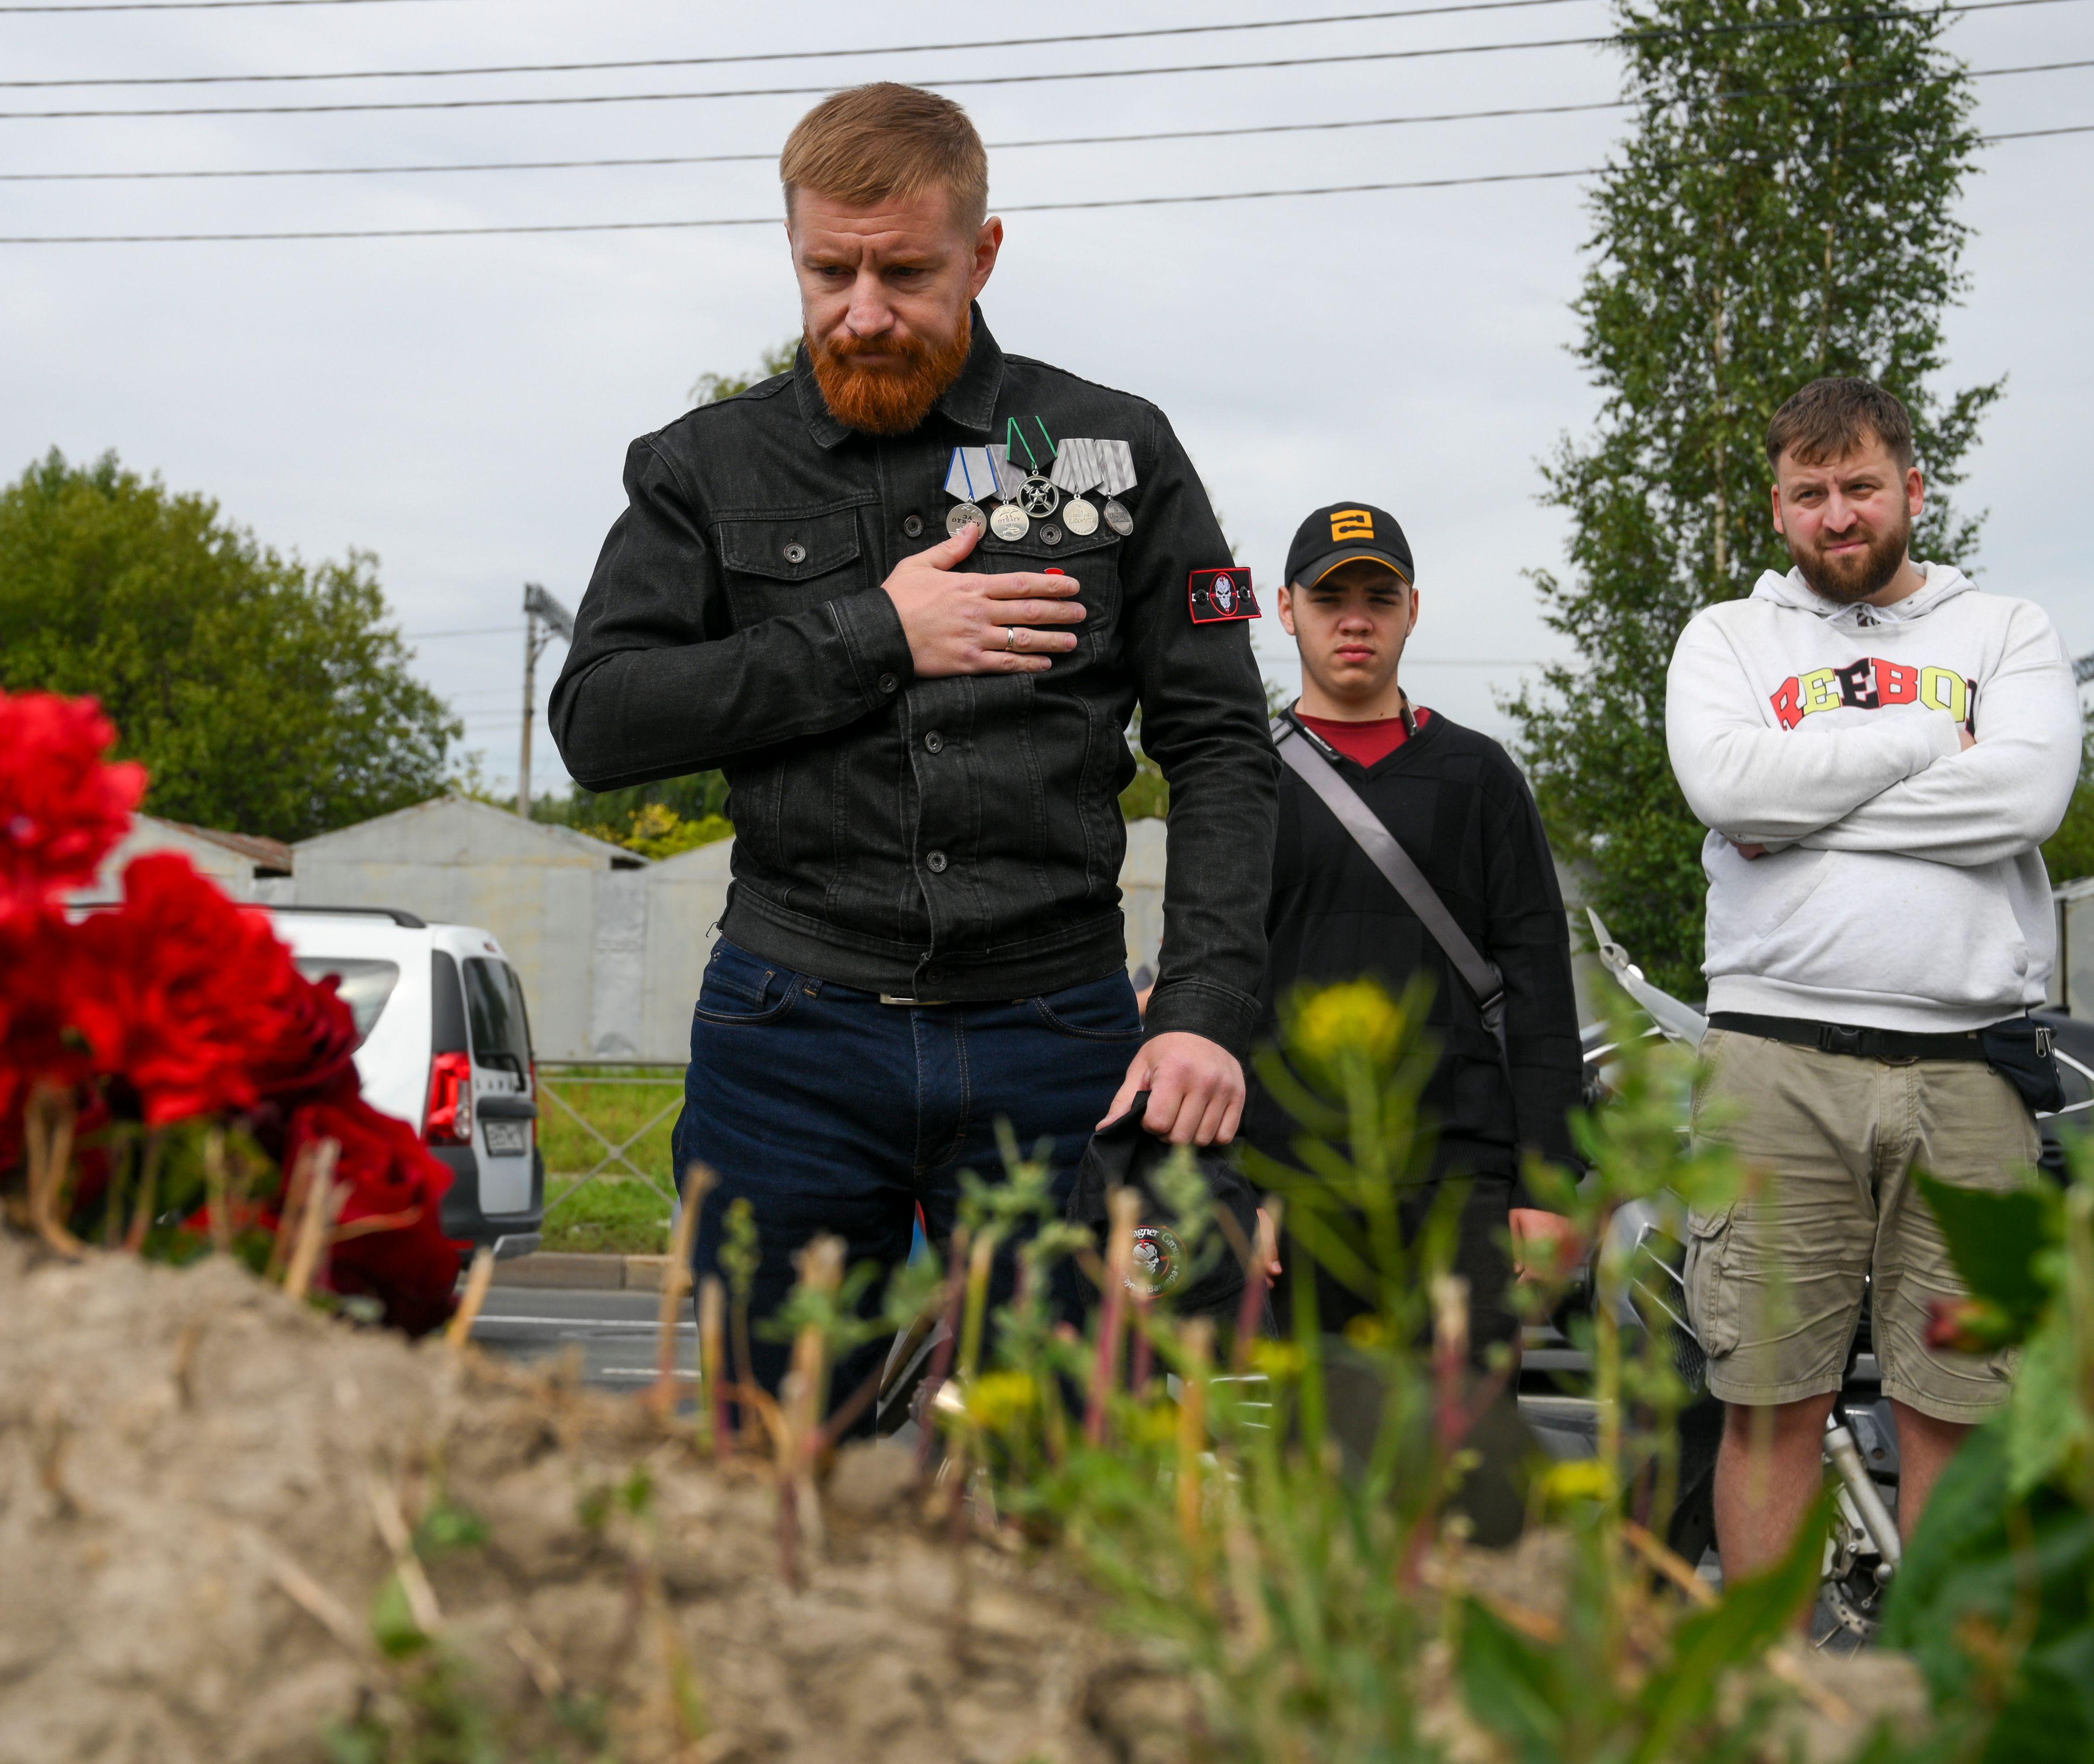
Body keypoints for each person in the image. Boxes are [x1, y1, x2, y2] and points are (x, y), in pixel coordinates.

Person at [549, 83, 1275, 1415]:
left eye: (905, 270)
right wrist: (874, 631)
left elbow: (1223, 745)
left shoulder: (1121, 447)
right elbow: (598, 720)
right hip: (790, 1038)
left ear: (984, 254)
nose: (863, 310)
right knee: (776, 1466)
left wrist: (1203, 1012)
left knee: (1057, 1471)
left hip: (1058, 1043)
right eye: (829, 271)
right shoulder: (700, 466)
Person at [1664, 376, 2078, 1579]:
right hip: (1772, 1063)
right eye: (1809, 493)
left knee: (1959, 1405)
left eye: (1858, 486)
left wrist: (1801, 809)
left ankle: (1931, 1711)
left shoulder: (2006, 631)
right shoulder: (1727, 637)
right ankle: (1770, 1707)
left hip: (1969, 1070)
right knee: (1764, 1400)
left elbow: (2025, 797)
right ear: (1777, 508)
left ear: (1911, 486)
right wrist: (1915, 743)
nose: (1836, 515)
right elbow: (1728, 791)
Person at [1241, 502, 1584, 1355]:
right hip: (1294, 1180)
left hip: (1459, 1179)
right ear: (1285, 609)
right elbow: (1209, 985)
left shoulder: (1479, 774)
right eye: (1328, 598)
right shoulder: (1242, 775)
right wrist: (1225, 1189)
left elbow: (1539, 985)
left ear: (1412, 610)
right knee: (1316, 1461)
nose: (1354, 619)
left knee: (1465, 1461)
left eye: (1377, 597)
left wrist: (1548, 1186)